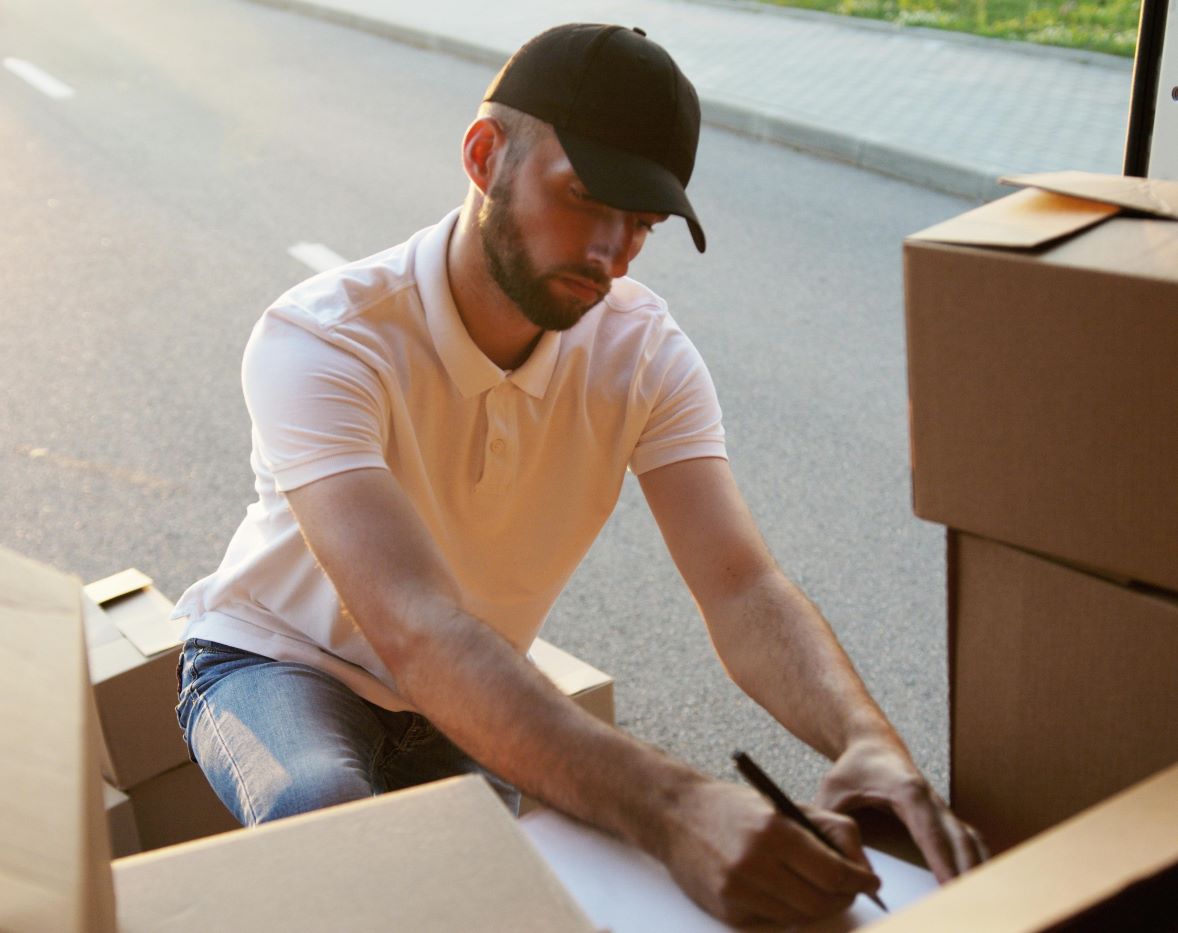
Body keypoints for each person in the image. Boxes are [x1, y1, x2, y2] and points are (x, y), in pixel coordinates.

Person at [172, 22, 985, 927]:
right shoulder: (324, 337)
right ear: (485, 157)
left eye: (641, 222)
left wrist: (867, 740)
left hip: (466, 693)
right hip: (278, 661)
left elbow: (742, 586)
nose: (614, 250)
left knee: (517, 894)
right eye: (586, 198)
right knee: (333, 823)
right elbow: (418, 626)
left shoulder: (644, 352)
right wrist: (677, 806)